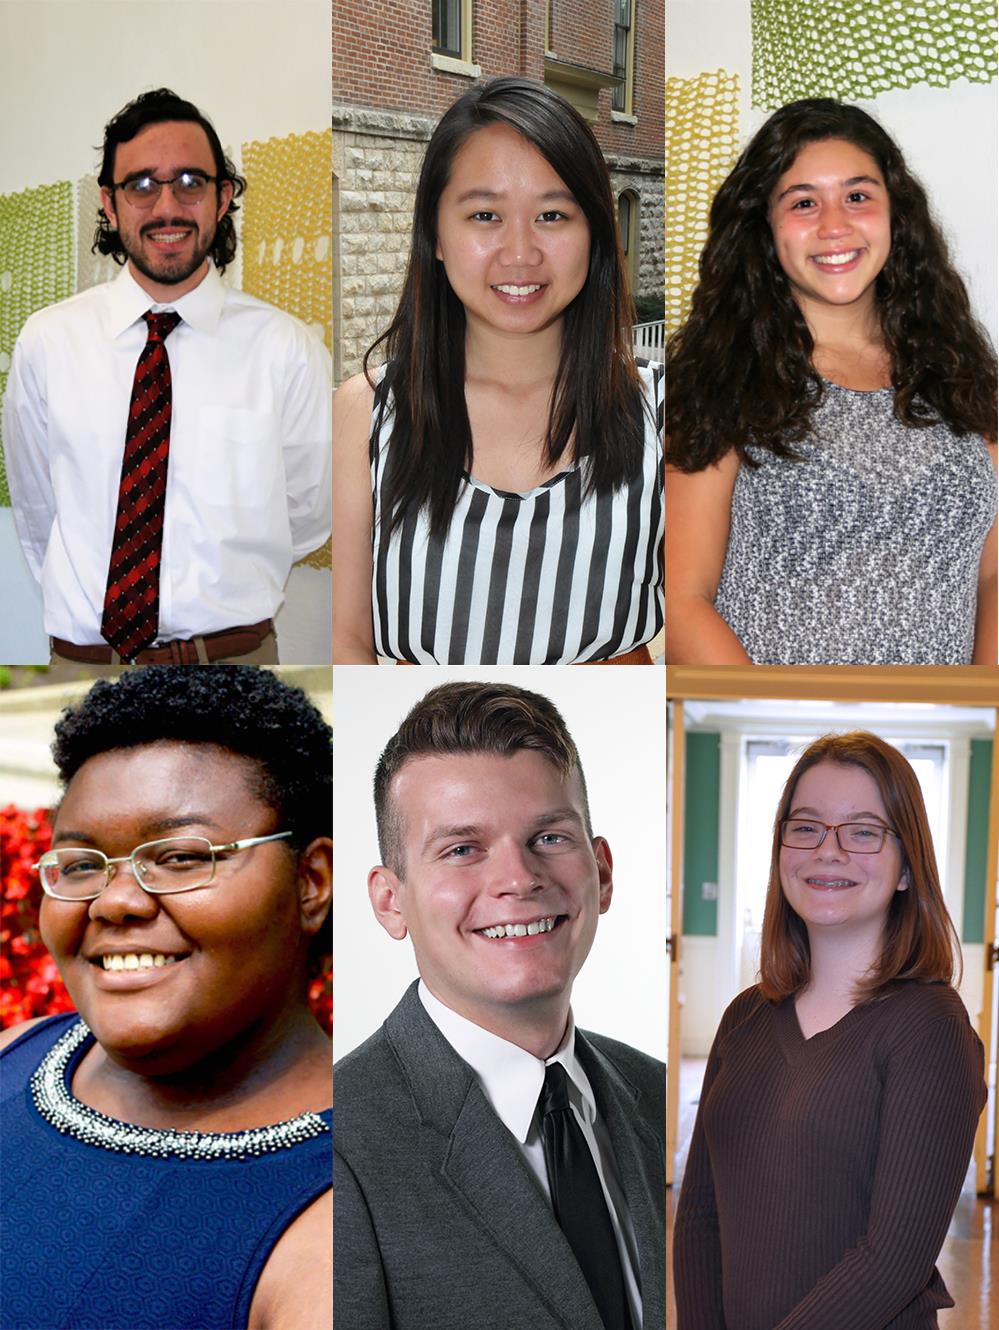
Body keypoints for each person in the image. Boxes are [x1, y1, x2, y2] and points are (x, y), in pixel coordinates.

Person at [0, 666, 333, 1330]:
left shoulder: (338, 1234)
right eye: (81, 864)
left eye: (181, 857)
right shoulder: (15, 1054)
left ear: (310, 883)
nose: (116, 901)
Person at [335, 681, 666, 1329]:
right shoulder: (340, 1145)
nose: (518, 878)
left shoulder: (654, 1092)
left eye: (549, 838)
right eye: (462, 849)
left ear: (601, 871)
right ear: (389, 900)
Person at [333, 78, 664, 665]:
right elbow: (348, 641)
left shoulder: (664, 412)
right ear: (435, 234)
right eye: (485, 215)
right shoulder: (366, 412)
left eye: (553, 215)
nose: (520, 253)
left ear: (595, 234)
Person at [3, 89, 332, 667]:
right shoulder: (47, 343)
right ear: (109, 203)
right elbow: (39, 512)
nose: (167, 207)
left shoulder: (286, 349)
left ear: (223, 196)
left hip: (236, 664)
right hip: (83, 668)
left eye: (190, 181)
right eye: (142, 185)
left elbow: (308, 512)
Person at [665, 99, 998, 665]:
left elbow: (992, 573)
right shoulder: (720, 376)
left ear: (896, 213)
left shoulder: (960, 367)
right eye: (803, 202)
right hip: (772, 711)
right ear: (765, 227)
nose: (834, 224)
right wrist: (778, 717)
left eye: (858, 196)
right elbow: (683, 601)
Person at [673, 731, 986, 1329]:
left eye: (864, 831)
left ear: (905, 869)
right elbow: (701, 1219)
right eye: (806, 826)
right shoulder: (744, 1017)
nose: (828, 851)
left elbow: (892, 1259)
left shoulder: (931, 1028)